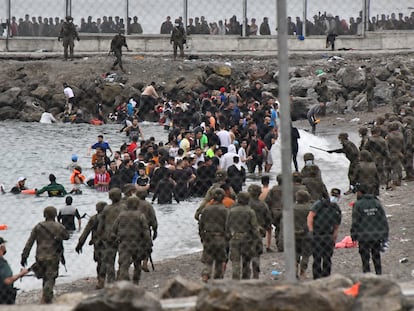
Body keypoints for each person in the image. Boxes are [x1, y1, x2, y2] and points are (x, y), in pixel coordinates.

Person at [21, 206, 69, 303]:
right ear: (55, 214)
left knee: (45, 277)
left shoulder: (38, 226)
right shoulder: (59, 226)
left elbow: (30, 242)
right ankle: (47, 297)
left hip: (40, 256)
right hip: (53, 256)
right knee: (50, 278)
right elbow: (67, 236)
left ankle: (46, 296)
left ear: (44, 214)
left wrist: (24, 255)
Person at [351, 183, 389, 275]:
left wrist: (353, 235)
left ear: (360, 192)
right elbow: (383, 219)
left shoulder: (358, 204)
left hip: (363, 236)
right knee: (376, 256)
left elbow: (355, 221)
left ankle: (367, 275)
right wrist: (385, 234)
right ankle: (379, 274)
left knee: (365, 258)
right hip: (376, 235)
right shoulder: (376, 202)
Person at [112, 197, 150, 284]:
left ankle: (125, 281)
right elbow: (145, 230)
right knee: (137, 264)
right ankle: (136, 282)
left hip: (124, 242)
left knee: (124, 264)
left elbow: (114, 229)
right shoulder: (140, 215)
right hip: (137, 243)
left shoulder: (121, 215)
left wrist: (115, 238)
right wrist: (148, 242)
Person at [307, 188, 341, 280]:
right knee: (317, 258)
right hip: (317, 234)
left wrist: (334, 235)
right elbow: (310, 216)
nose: (334, 198)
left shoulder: (336, 208)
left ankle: (326, 277)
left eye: (336, 196)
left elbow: (337, 224)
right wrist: (311, 230)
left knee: (327, 258)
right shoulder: (319, 204)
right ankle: (317, 277)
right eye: (333, 195)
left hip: (328, 235)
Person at [226, 192, 260, 280]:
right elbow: (254, 227)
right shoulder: (250, 212)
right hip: (247, 239)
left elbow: (227, 226)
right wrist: (257, 239)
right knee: (246, 261)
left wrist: (229, 236)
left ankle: (235, 278)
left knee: (235, 261)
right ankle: (246, 279)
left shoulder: (231, 211)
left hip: (235, 237)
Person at [198, 188, 229, 282]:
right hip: (220, 237)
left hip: (208, 237)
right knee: (219, 260)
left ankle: (205, 275)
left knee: (208, 260)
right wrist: (228, 238)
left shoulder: (206, 210)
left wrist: (202, 237)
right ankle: (217, 279)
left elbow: (201, 225)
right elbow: (228, 225)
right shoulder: (225, 210)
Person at [96, 188, 125, 286]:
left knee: (109, 261)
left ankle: (111, 280)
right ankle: (120, 277)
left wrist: (99, 235)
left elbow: (101, 224)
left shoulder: (106, 209)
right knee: (122, 259)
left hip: (109, 237)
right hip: (122, 236)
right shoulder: (124, 208)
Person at [75, 202, 107, 289]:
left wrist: (80, 244)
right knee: (106, 260)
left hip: (97, 243)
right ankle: (104, 277)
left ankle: (100, 278)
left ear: (97, 209)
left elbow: (86, 232)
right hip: (108, 242)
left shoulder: (94, 218)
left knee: (99, 261)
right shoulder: (110, 218)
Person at [247, 185, 272, 278]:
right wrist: (267, 227)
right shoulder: (263, 205)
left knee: (245, 255)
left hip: (245, 231)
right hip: (258, 233)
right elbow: (268, 218)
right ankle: (256, 273)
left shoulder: (245, 204)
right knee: (256, 254)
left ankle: (246, 273)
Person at [0, 237, 29, 304]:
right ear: (1, 247)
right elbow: (7, 280)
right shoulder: (2, 262)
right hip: (4, 297)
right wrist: (21, 274)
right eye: (4, 245)